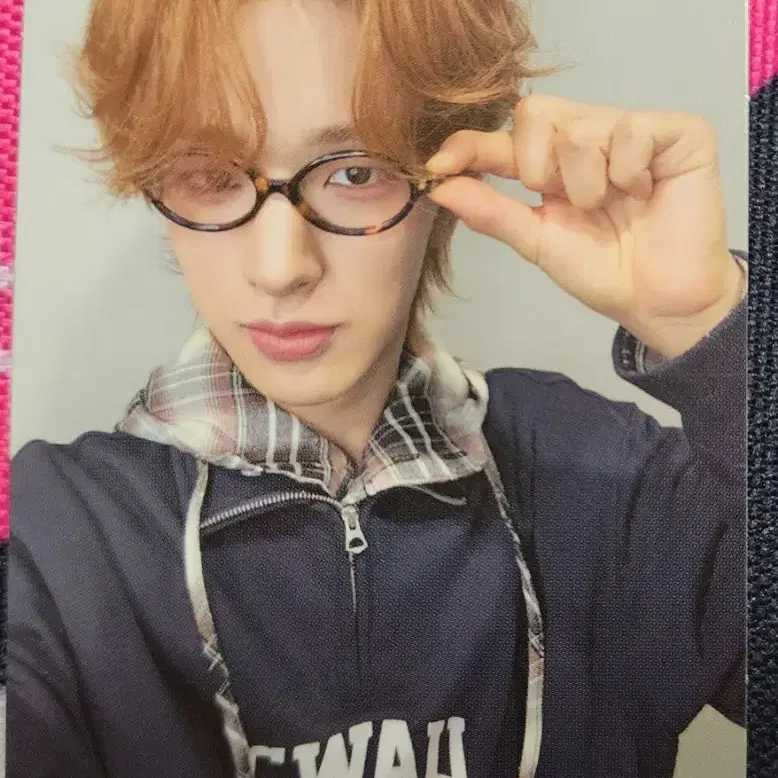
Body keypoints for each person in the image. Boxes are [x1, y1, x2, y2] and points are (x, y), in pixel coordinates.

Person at [7, 0, 746, 777]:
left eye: (355, 172)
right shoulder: (53, 545)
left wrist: (714, 329)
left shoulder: (612, 487)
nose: (280, 267)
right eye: (209, 175)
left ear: (449, 173)